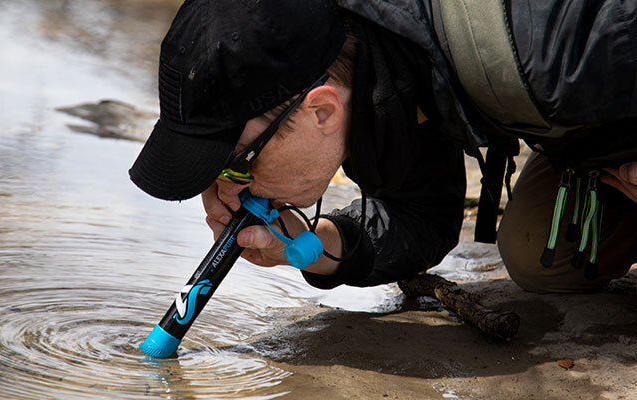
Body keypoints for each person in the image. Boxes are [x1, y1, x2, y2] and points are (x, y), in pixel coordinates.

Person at [129, 0, 637, 294]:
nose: (228, 194)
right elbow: (423, 212)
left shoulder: (558, 59)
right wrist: (309, 246)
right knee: (540, 253)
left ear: (321, 111)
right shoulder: (371, 51)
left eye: (236, 167)